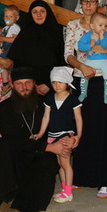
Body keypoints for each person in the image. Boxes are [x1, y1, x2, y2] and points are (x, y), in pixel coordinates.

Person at [63, 0, 107, 198]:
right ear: (80, 3)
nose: (88, 4)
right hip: (82, 80)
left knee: (104, 128)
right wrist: (82, 66)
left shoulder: (106, 23)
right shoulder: (72, 25)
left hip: (103, 80)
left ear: (98, 3)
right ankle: (82, 175)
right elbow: (68, 53)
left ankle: (106, 180)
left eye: (92, 1)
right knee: (82, 127)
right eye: (85, 1)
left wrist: (97, 50)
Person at [0, 67, 72, 212]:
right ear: (13, 85)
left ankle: (28, 205)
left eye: (28, 83)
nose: (24, 87)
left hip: (39, 151)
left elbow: (63, 125)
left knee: (47, 162)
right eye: (19, 84)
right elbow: (12, 136)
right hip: (18, 150)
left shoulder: (45, 105)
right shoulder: (4, 107)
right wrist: (47, 147)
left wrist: (69, 140)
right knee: (2, 146)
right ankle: (8, 193)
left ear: (34, 83)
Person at [34, 66, 82, 203]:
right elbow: (46, 117)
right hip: (52, 135)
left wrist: (78, 136)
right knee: (59, 164)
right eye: (54, 82)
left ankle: (68, 192)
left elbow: (78, 118)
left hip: (65, 135)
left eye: (60, 82)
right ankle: (64, 189)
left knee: (66, 163)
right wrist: (40, 134)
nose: (57, 85)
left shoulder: (73, 100)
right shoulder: (49, 98)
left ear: (67, 83)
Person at [7, 0, 66, 95]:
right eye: (35, 12)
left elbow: (61, 62)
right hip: (27, 89)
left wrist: (49, 84)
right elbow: (18, 63)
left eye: (42, 11)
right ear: (30, 15)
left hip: (53, 86)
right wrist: (31, 86)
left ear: (48, 13)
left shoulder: (55, 34)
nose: (38, 15)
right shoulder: (24, 35)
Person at [77, 12, 107, 103]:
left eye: (105, 26)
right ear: (92, 26)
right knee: (84, 73)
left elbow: (106, 46)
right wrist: (90, 45)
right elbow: (80, 46)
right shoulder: (87, 35)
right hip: (91, 59)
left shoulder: (106, 35)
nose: (103, 28)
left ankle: (106, 95)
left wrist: (102, 38)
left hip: (104, 60)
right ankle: (83, 92)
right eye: (100, 25)